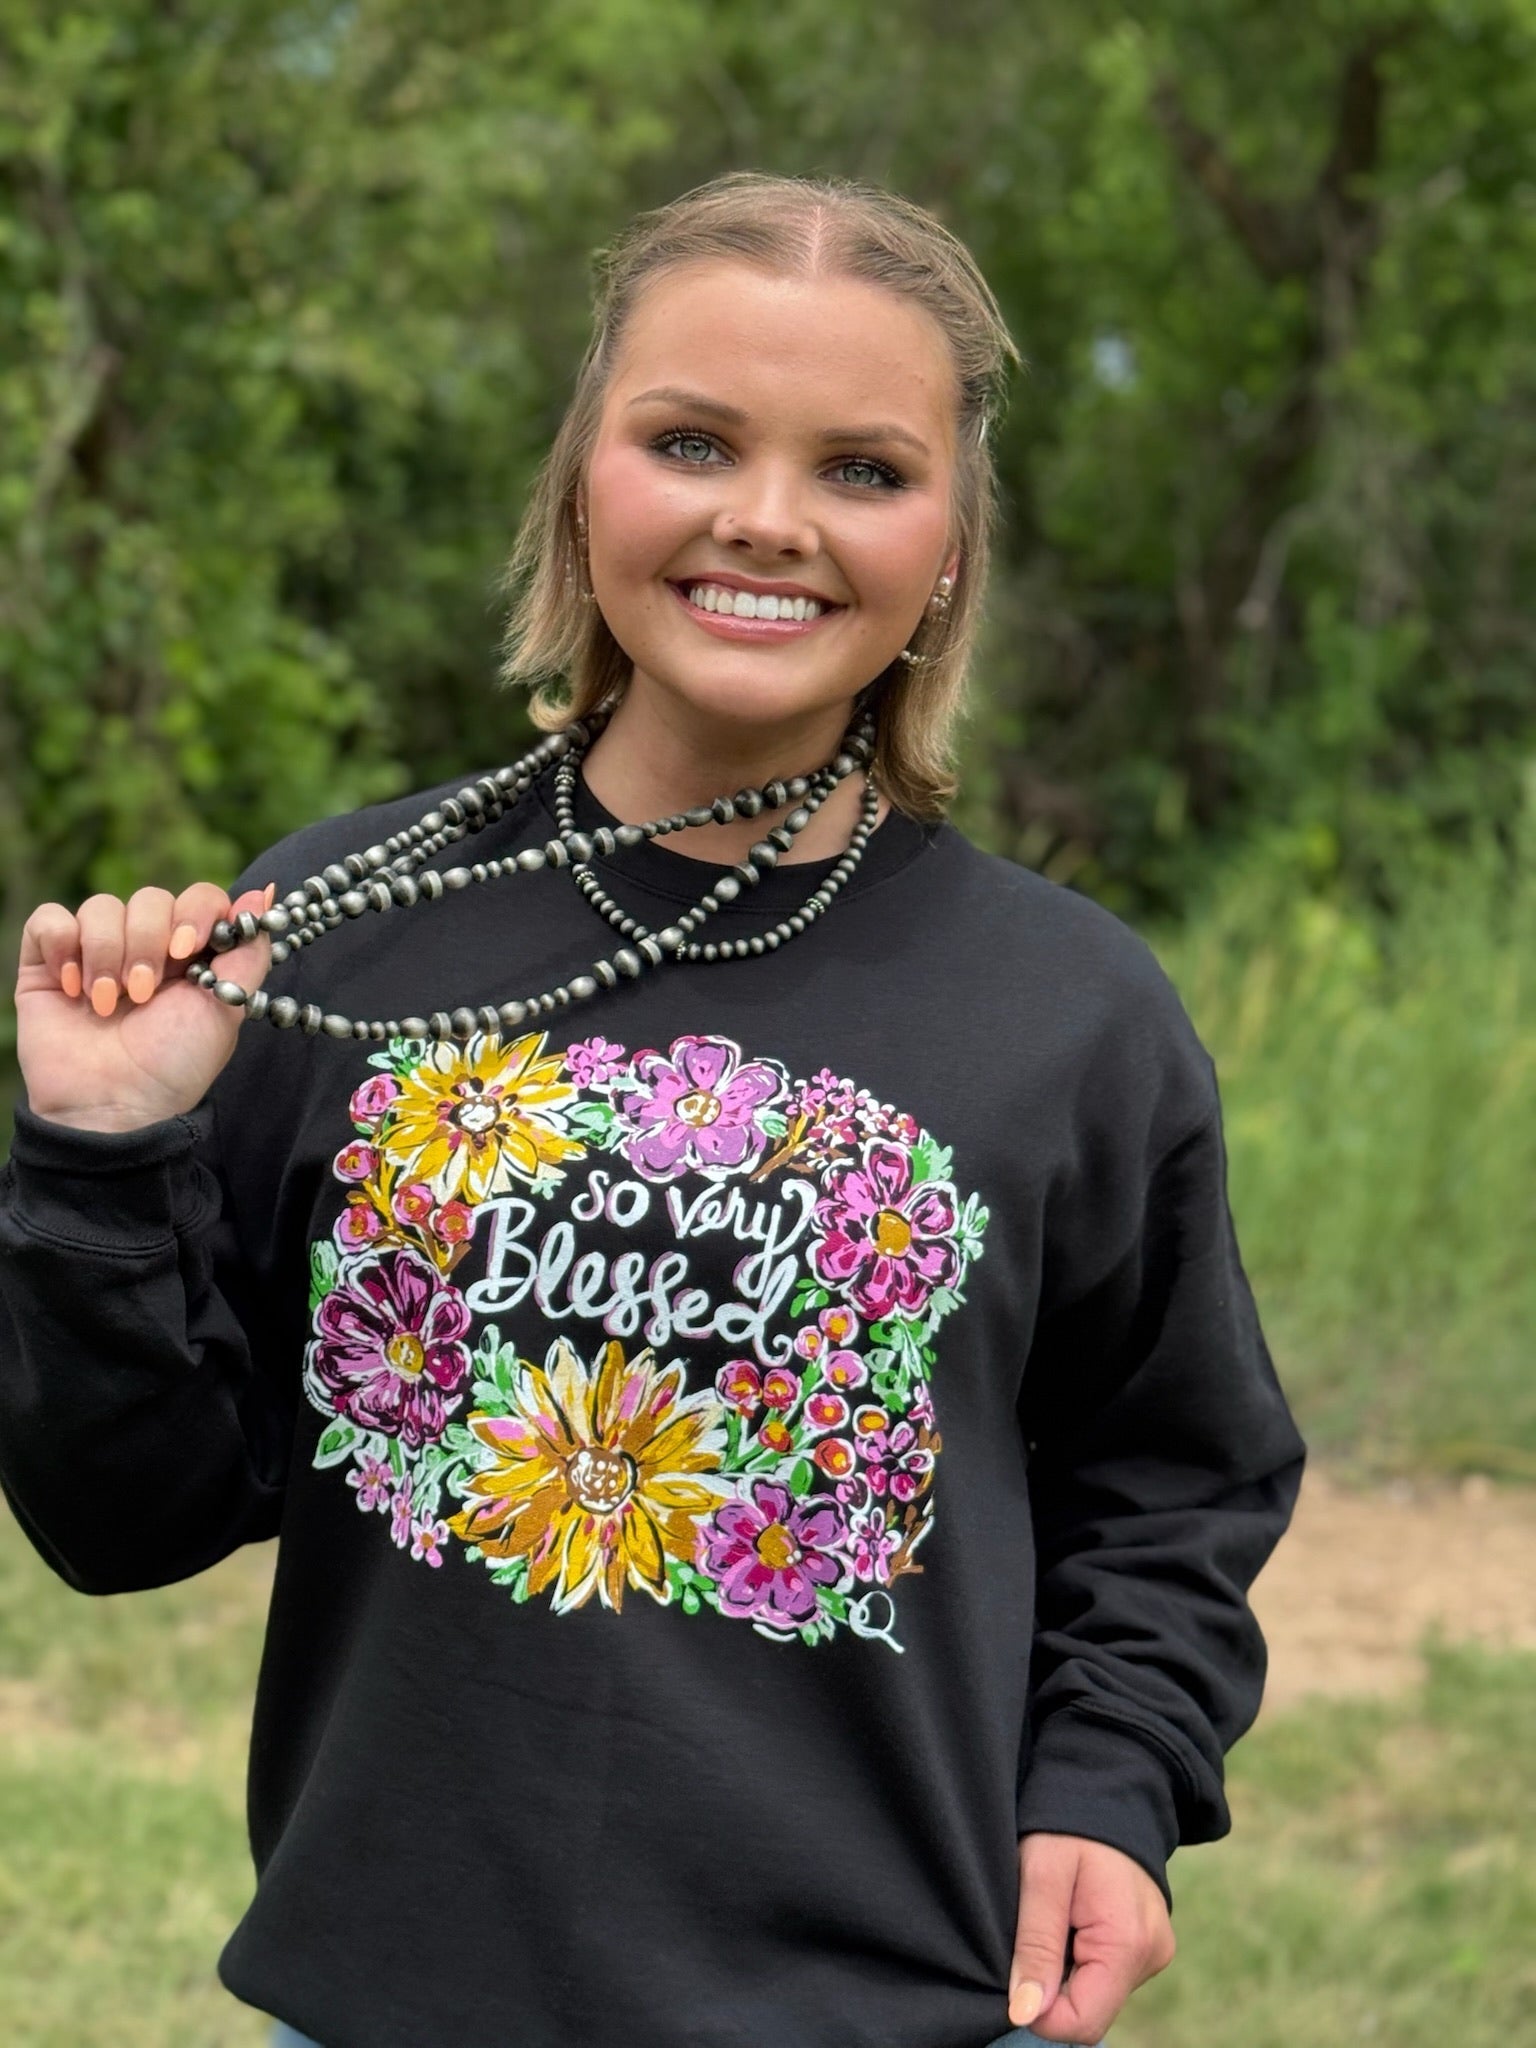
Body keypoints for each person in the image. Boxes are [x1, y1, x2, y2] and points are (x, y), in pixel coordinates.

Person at [0, 172, 1306, 2048]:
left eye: (864, 468)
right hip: (391, 2004)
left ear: (950, 543)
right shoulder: (337, 937)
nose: (766, 518)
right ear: (580, 483)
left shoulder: (1071, 1012)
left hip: (897, 2004)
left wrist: (1113, 1787)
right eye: (692, 441)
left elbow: (1172, 1474)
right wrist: (103, 1155)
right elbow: (125, 1520)